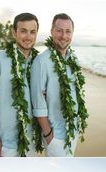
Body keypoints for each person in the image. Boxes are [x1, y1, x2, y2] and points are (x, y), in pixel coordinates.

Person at [0, 13, 43, 157]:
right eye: (23, 31)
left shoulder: (39, 63)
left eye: (32, 32)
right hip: (5, 144)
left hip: (31, 143)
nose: (28, 36)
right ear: (14, 32)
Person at [31, 13, 89, 157]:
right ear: (51, 31)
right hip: (55, 135)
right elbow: (38, 103)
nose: (64, 36)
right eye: (59, 30)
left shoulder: (73, 59)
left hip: (72, 132)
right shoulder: (41, 62)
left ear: (72, 34)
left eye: (68, 31)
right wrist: (49, 136)